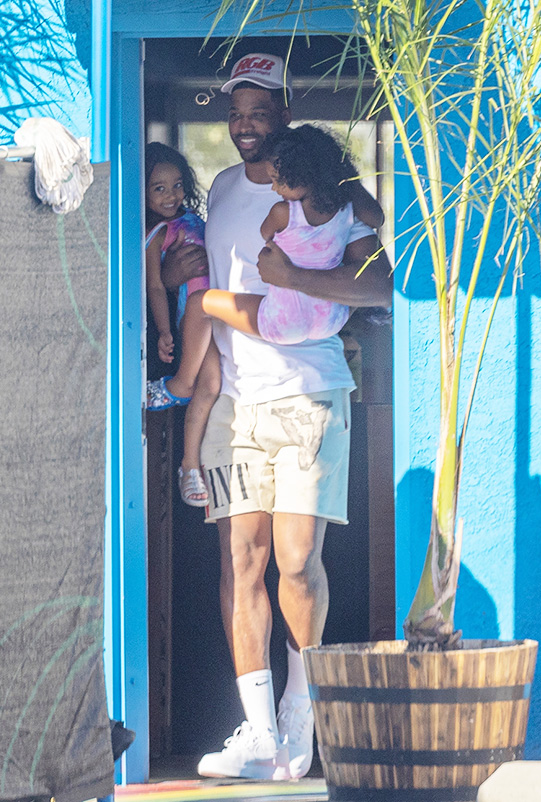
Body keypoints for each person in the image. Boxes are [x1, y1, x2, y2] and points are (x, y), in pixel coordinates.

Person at [162, 53, 393, 781]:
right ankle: (258, 730)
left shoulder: (332, 192)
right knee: (242, 564)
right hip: (234, 400)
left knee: (297, 564)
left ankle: (303, 718)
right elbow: (194, 273)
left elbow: (378, 283)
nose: (244, 125)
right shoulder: (225, 189)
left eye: (259, 112)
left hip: (308, 394)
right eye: (236, 113)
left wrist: (296, 278)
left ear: (285, 114)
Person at [145, 123, 384, 455]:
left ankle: (180, 384)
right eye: (236, 113)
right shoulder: (344, 209)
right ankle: (189, 449)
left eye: (277, 180)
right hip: (327, 320)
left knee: (203, 302)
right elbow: (377, 216)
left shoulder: (283, 211)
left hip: (289, 339)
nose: (274, 188)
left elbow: (267, 235)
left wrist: (290, 274)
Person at [144, 142, 220, 507]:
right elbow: (156, 286)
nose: (171, 195)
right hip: (194, 314)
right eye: (159, 188)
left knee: (214, 384)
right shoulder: (155, 233)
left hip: (218, 316)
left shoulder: (192, 220)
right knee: (199, 305)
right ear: (143, 192)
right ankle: (177, 384)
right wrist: (163, 332)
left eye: (176, 185)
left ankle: (189, 464)